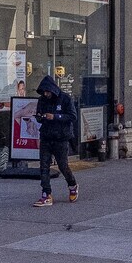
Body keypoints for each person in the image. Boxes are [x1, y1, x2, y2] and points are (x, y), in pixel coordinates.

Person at [31, 75, 79, 207]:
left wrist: (55, 117)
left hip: (61, 137)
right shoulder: (42, 100)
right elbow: (39, 114)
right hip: (46, 136)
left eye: (47, 92)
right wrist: (40, 117)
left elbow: (73, 116)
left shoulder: (65, 98)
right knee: (44, 166)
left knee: (63, 165)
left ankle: (72, 185)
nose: (45, 94)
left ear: (52, 89)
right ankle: (46, 194)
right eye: (43, 92)